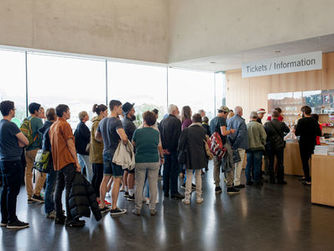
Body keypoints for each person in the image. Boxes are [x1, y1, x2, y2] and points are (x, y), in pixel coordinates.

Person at [49, 104, 84, 227]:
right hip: (68, 161)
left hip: (58, 162)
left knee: (59, 189)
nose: (70, 113)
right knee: (70, 190)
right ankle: (71, 218)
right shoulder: (65, 125)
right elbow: (70, 144)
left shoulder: (53, 126)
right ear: (64, 113)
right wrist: (77, 161)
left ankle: (59, 216)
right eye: (68, 111)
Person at [0, 100, 29, 229]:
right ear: (11, 110)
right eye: (14, 109)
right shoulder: (11, 125)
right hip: (13, 161)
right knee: (13, 191)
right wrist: (18, 144)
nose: (15, 110)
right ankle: (12, 220)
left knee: (6, 189)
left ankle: (5, 219)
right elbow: (25, 141)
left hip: (4, 161)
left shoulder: (1, 124)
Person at [96, 100, 128, 216]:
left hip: (106, 152)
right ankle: (114, 207)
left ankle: (102, 205)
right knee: (117, 179)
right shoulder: (116, 121)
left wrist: (106, 141)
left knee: (105, 178)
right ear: (115, 107)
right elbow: (124, 138)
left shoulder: (102, 121)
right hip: (116, 154)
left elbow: (97, 137)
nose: (121, 110)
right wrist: (121, 141)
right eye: (120, 108)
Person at [132, 111, 164, 216]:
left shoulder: (137, 131)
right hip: (154, 160)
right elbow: (159, 146)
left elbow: (133, 144)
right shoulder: (156, 132)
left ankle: (137, 209)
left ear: (144, 120)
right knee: (153, 184)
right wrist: (162, 157)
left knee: (139, 184)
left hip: (140, 160)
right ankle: (152, 208)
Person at [210, 106, 239, 194]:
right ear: (224, 113)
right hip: (223, 146)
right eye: (226, 114)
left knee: (216, 166)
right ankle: (230, 186)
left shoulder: (212, 120)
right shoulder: (222, 119)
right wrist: (231, 131)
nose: (226, 116)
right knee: (228, 164)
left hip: (215, 147)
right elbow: (223, 132)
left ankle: (217, 186)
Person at [179, 114, 206, 205]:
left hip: (189, 155)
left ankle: (187, 198)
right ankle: (199, 197)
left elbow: (181, 144)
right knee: (198, 176)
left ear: (192, 120)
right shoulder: (203, 130)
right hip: (200, 155)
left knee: (189, 175)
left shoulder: (187, 130)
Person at [159, 104, 184, 200]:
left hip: (165, 151)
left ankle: (165, 190)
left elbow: (160, 136)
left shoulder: (162, 121)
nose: (178, 112)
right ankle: (174, 192)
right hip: (173, 151)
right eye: (177, 110)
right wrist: (170, 149)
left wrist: (164, 149)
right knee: (174, 171)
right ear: (174, 111)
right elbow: (176, 138)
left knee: (166, 170)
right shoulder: (177, 121)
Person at [24, 102, 46, 203]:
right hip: (36, 149)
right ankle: (37, 194)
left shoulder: (27, 119)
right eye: (39, 110)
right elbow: (42, 135)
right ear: (36, 111)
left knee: (28, 172)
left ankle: (29, 196)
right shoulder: (37, 120)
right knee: (42, 172)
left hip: (27, 149)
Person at [295, 106, 322, 185]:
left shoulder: (300, 121)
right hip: (312, 143)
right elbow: (319, 133)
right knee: (313, 160)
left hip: (303, 143)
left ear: (303, 112)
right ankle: (315, 177)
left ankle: (307, 179)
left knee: (305, 161)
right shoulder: (314, 121)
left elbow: (297, 133)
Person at [39, 108, 57, 219]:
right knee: (51, 186)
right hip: (52, 160)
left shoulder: (45, 126)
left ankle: (52, 208)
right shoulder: (51, 128)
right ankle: (50, 209)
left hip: (47, 160)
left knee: (50, 185)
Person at [90, 104, 109, 207]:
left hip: (97, 154)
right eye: (106, 111)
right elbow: (98, 137)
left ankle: (95, 197)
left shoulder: (96, 122)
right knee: (98, 177)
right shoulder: (98, 123)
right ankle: (97, 198)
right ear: (102, 112)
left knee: (97, 176)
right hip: (98, 154)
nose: (107, 113)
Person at [264, 110, 290, 184]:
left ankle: (271, 179)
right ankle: (280, 179)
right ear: (279, 116)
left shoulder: (267, 124)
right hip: (279, 145)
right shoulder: (282, 124)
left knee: (271, 162)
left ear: (271, 116)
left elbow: (264, 134)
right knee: (280, 163)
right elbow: (287, 130)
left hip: (270, 145)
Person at [227, 106, 248, 189]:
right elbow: (241, 136)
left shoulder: (230, 120)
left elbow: (228, 133)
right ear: (240, 112)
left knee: (232, 164)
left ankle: (230, 181)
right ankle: (237, 182)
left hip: (231, 145)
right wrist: (235, 145)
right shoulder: (242, 122)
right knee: (239, 165)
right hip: (240, 146)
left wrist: (232, 145)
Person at [245, 112, 267, 186]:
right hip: (258, 148)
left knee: (248, 165)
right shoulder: (260, 126)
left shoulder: (246, 126)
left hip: (249, 148)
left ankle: (248, 180)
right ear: (257, 117)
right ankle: (257, 181)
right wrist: (263, 143)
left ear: (250, 117)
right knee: (257, 165)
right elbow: (264, 136)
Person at [121, 102, 136, 201]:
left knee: (126, 170)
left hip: (126, 150)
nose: (134, 111)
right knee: (131, 172)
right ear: (128, 111)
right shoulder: (129, 124)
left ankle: (127, 190)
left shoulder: (124, 121)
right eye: (132, 109)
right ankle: (131, 193)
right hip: (130, 150)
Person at [74, 111, 92, 182]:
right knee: (89, 167)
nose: (88, 116)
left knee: (81, 166)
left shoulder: (79, 125)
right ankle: (90, 182)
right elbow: (88, 136)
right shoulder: (82, 126)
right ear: (84, 117)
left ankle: (79, 181)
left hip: (79, 150)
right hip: (84, 150)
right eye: (87, 115)